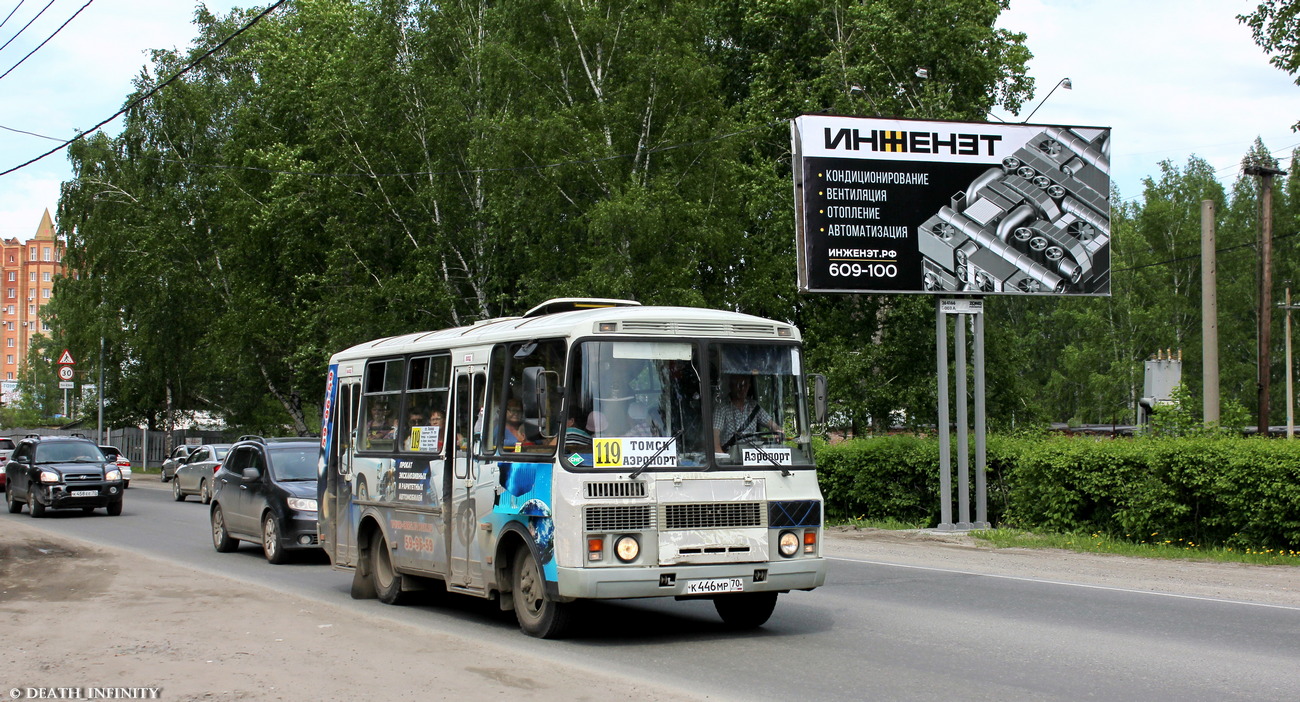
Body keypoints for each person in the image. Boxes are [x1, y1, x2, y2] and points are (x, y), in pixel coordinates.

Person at [713, 374, 783, 453]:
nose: (742, 388)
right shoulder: (721, 408)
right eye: (738, 384)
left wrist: (778, 431)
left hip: (752, 456)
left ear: (749, 386)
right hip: (731, 457)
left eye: (745, 384)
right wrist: (723, 459)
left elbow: (772, 425)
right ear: (731, 385)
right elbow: (714, 437)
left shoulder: (753, 406)